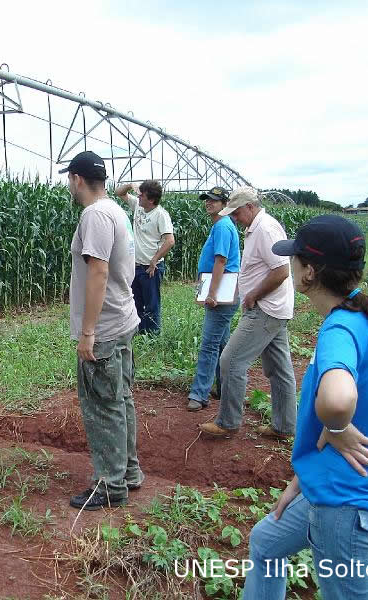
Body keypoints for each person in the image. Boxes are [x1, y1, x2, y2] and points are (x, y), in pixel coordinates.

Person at [243, 214, 368, 599]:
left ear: (309, 273)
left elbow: (338, 400)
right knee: (267, 542)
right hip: (333, 484)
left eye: (295, 258)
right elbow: (367, 409)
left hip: (347, 504)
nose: (292, 264)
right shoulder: (366, 317)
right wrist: (303, 479)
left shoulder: (340, 329)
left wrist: (336, 427)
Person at [61, 151, 143, 511]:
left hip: (105, 329)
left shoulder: (94, 214)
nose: (69, 184)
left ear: (77, 179)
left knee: (103, 406)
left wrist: (88, 332)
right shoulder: (116, 211)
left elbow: (98, 272)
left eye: (69, 179)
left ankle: (110, 485)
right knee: (121, 399)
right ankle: (128, 472)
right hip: (124, 319)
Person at [199, 186, 297, 438]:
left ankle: (228, 422)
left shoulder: (264, 229)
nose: (233, 217)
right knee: (279, 369)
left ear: (251, 207)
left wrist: (253, 295)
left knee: (231, 361)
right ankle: (284, 426)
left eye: (237, 212)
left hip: (265, 308)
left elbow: (281, 271)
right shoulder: (256, 228)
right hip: (273, 308)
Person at [187, 186, 241, 412]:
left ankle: (199, 394)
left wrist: (211, 294)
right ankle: (224, 387)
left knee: (209, 345)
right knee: (221, 344)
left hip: (221, 293)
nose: (208, 203)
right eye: (207, 200)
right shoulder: (222, 226)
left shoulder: (222, 226)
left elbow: (221, 261)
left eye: (214, 200)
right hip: (221, 290)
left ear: (224, 204)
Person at [115, 180, 175, 335]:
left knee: (152, 304)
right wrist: (130, 185)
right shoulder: (138, 206)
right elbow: (119, 192)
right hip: (135, 266)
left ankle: (153, 335)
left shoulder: (160, 215)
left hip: (151, 268)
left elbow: (170, 241)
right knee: (136, 302)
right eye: (139, 194)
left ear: (152, 200)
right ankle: (141, 332)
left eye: (142, 195)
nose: (139, 196)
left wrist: (154, 260)